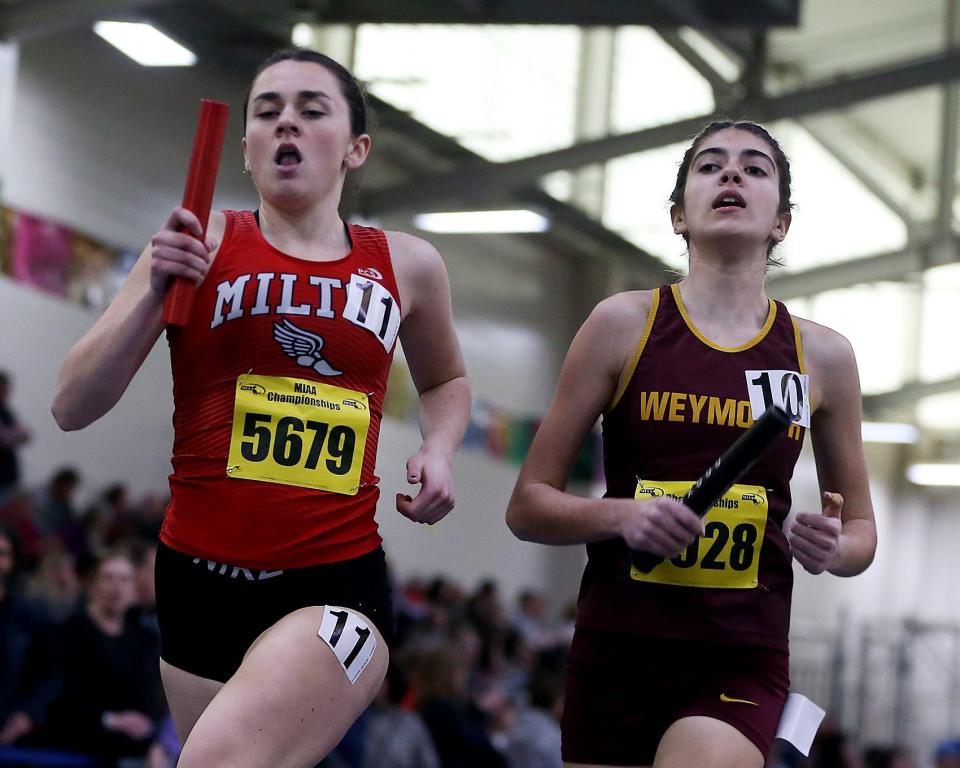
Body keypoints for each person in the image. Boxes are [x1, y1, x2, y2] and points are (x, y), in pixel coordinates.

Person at [51, 47, 470, 768]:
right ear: (244, 147)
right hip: (195, 584)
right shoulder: (198, 241)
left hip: (335, 583)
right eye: (267, 112)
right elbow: (70, 406)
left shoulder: (407, 265)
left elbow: (446, 381)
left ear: (355, 148)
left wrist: (438, 448)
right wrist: (154, 292)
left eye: (312, 111)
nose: (287, 125)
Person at [505, 120, 877, 768]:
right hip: (618, 646)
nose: (731, 174)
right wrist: (625, 516)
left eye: (754, 168)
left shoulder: (822, 355)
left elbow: (863, 533)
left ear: (780, 223)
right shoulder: (622, 325)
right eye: (710, 165)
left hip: (740, 652)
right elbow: (528, 506)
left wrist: (836, 546)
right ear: (679, 215)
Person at [0, 372, 30, 506]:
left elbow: (25, 434)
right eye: (4, 389)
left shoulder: (7, 412)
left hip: (7, 477)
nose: (6, 393)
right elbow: (5, 439)